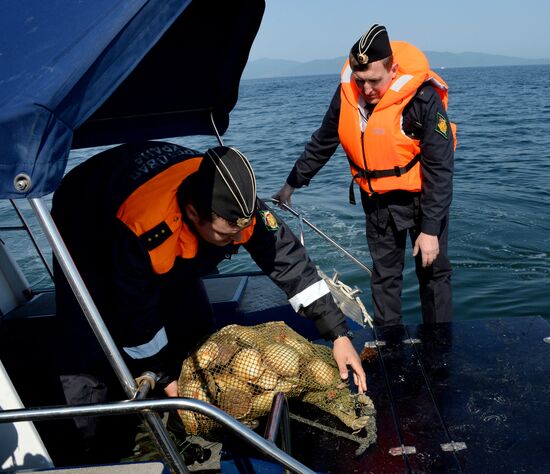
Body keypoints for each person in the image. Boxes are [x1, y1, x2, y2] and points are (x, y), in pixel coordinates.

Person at [51, 142, 366, 463]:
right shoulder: (142, 228)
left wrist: (338, 333)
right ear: (193, 214)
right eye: (226, 236)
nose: (235, 243)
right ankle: (89, 450)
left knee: (196, 321)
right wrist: (164, 378)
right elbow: (134, 314)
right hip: (87, 215)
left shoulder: (237, 201)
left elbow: (290, 264)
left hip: (158, 205)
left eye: (239, 233)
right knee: (89, 340)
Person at [274, 24, 456, 326]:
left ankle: (441, 349)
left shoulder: (423, 99)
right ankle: (389, 348)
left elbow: (440, 166)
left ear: (393, 69)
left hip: (422, 201)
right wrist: (291, 184)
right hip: (377, 202)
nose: (367, 89)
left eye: (374, 81)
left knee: (434, 275)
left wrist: (431, 229)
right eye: (361, 81)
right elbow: (324, 140)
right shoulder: (348, 93)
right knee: (384, 278)